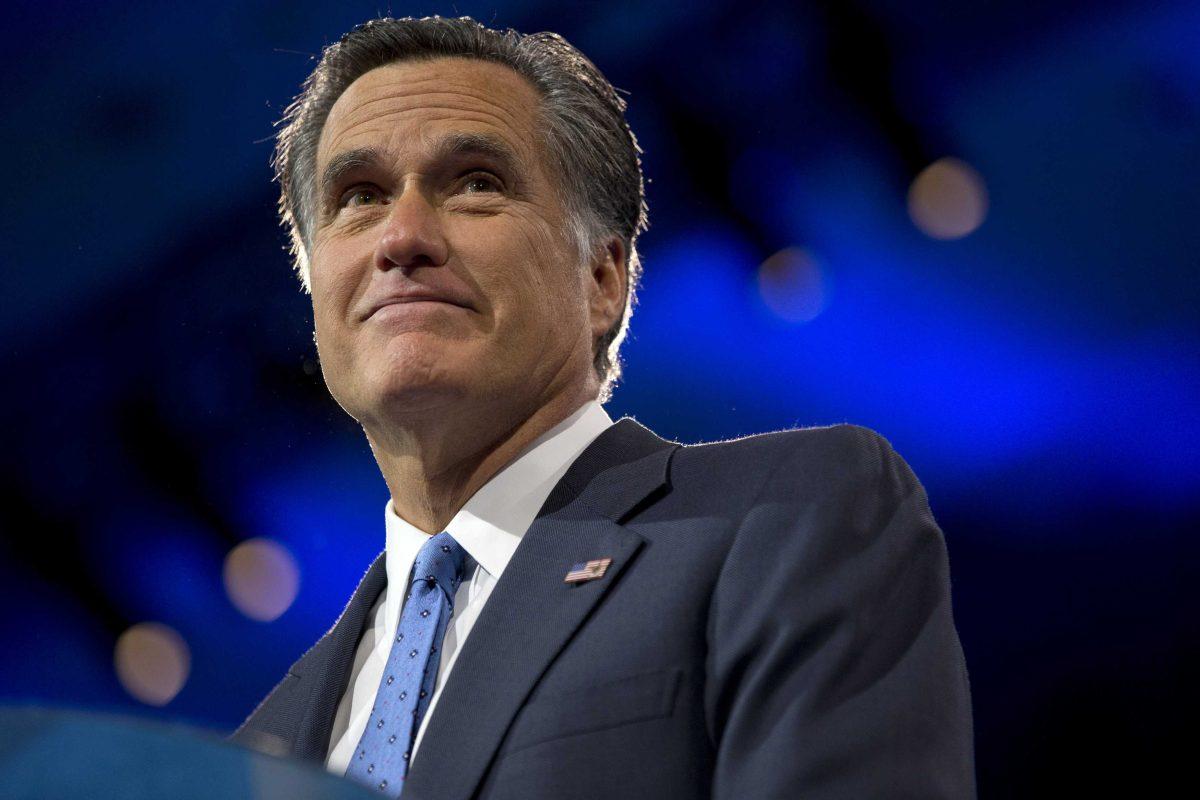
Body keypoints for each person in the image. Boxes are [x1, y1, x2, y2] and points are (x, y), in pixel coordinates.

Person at [229, 15, 976, 799]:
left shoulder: (789, 515)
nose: (402, 236)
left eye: (477, 183)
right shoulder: (252, 752)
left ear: (602, 278)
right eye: (359, 196)